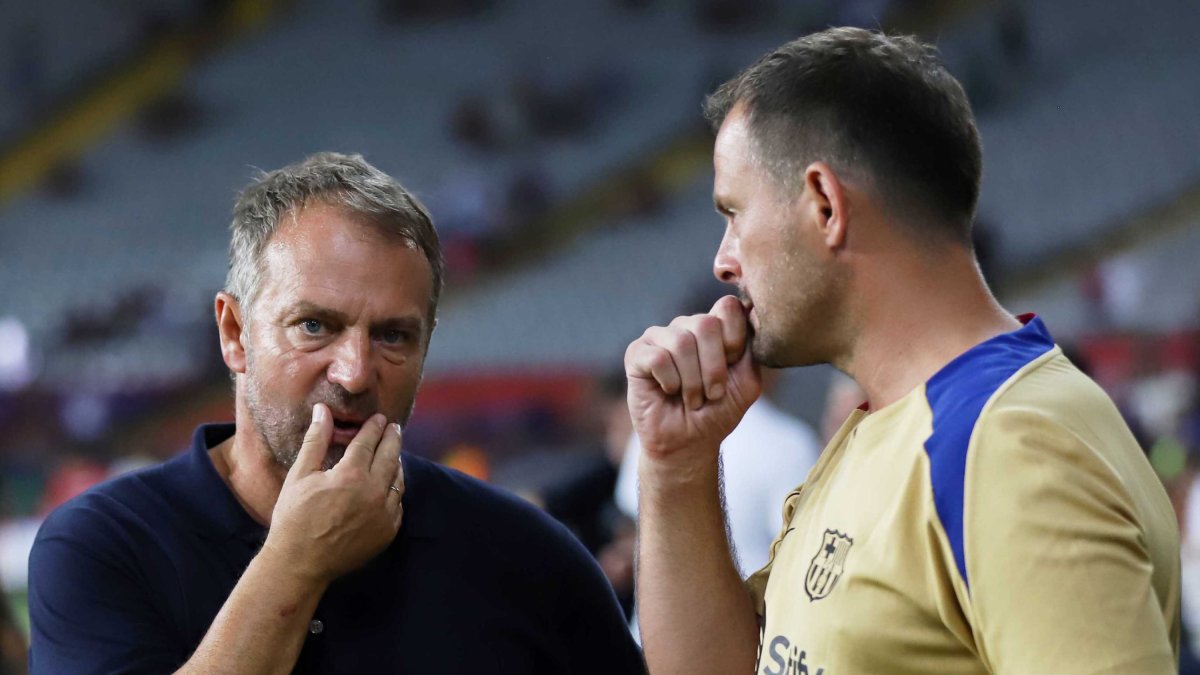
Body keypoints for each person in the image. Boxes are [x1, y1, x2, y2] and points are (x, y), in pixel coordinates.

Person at [624, 27, 1180, 674]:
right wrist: (678, 465)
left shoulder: (1011, 445)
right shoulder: (886, 428)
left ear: (826, 204)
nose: (723, 262)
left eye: (734, 213)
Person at [28, 153, 645, 674]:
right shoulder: (102, 545)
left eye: (394, 336)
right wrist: (297, 562)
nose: (353, 372)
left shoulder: (528, 554)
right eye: (315, 326)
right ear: (235, 333)